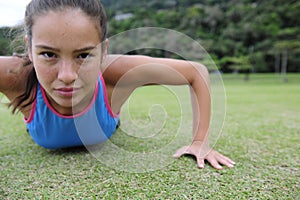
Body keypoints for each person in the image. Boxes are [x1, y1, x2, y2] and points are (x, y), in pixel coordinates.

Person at [0, 0, 235, 170]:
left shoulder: (116, 73)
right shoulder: (15, 75)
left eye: (83, 55)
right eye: (49, 54)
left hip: (108, 121)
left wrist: (200, 142)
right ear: (29, 47)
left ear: (104, 50)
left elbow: (197, 72)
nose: (67, 75)